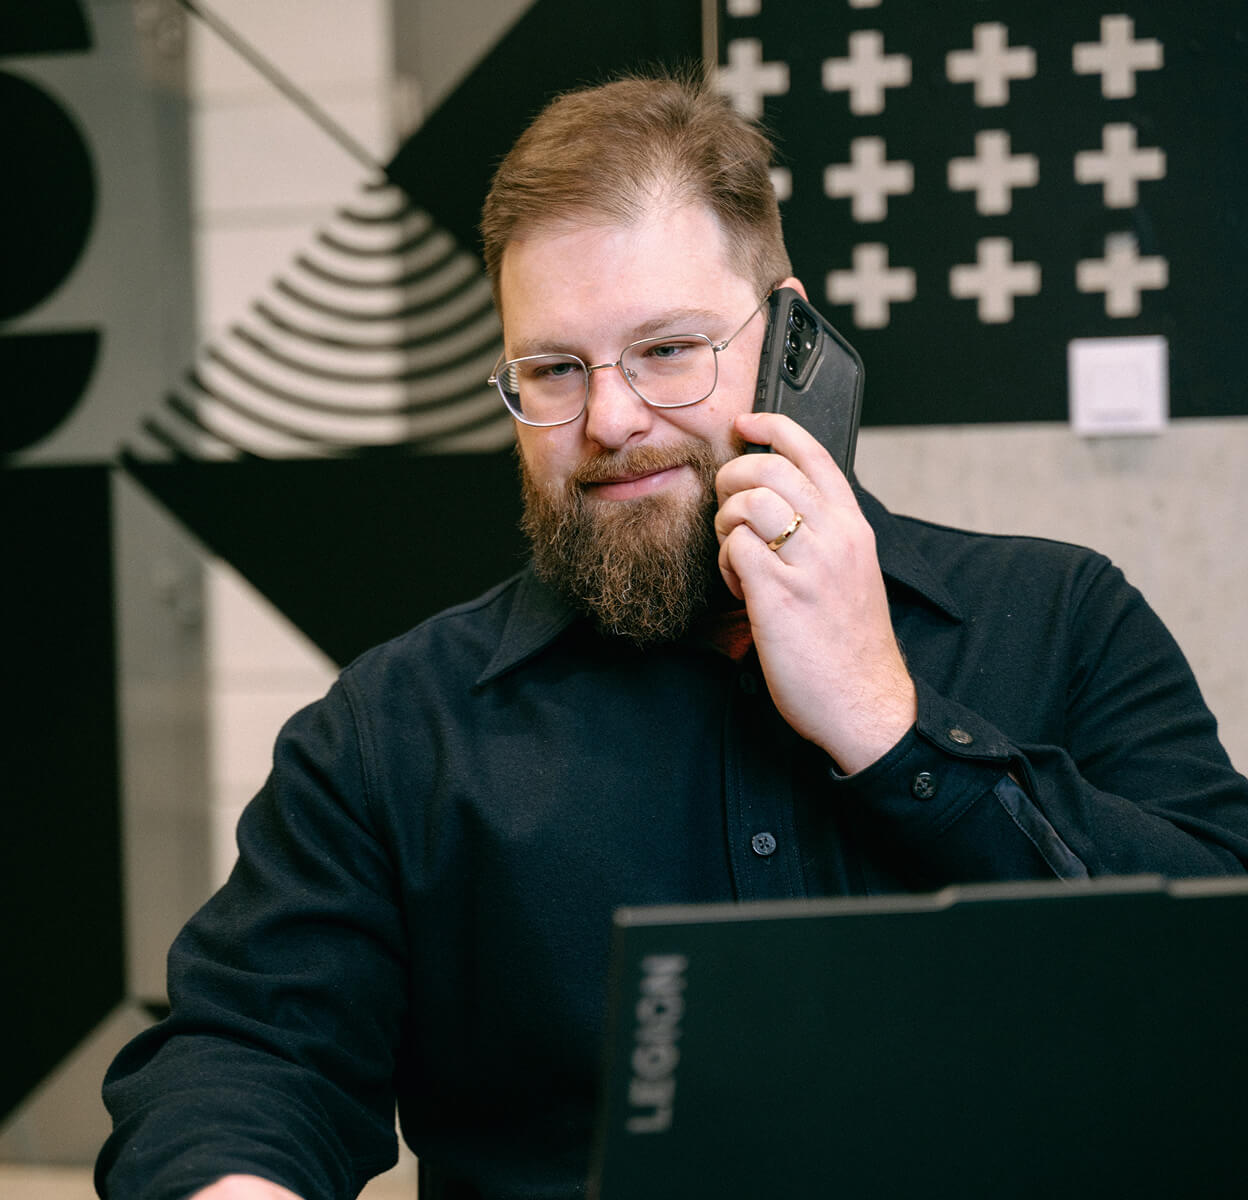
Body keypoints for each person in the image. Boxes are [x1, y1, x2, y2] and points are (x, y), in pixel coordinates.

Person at [96, 70, 1248, 1200]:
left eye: (665, 350)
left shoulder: (1064, 619)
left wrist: (894, 730)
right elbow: (248, 1053)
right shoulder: (398, 728)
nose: (608, 419)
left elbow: (1217, 984)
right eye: (551, 368)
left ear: (791, 338)